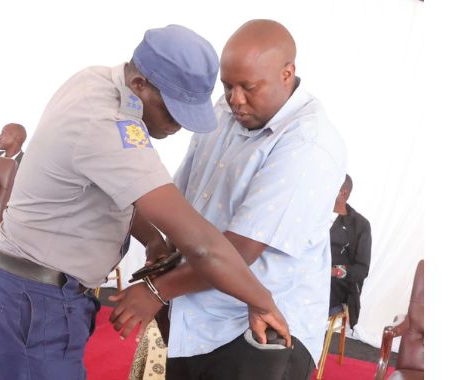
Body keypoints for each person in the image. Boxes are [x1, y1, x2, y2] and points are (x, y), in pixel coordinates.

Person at [0, 24, 291, 380]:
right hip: (36, 298)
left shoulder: (95, 80)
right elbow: (202, 246)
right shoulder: (107, 125)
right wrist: (262, 301)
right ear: (140, 85)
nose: (179, 127)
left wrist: (153, 240)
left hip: (30, 287)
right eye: (173, 112)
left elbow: (111, 187)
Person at [112, 19, 347, 380]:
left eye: (248, 87)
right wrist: (163, 247)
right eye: (228, 85)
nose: (235, 99)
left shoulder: (308, 144)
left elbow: (240, 251)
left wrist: (158, 290)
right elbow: (185, 197)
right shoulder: (226, 108)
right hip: (197, 317)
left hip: (258, 331)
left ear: (287, 74)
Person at [329, 174, 371, 329]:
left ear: (343, 193)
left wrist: (332, 272)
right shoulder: (311, 215)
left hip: (335, 287)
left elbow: (361, 270)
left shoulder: (360, 226)